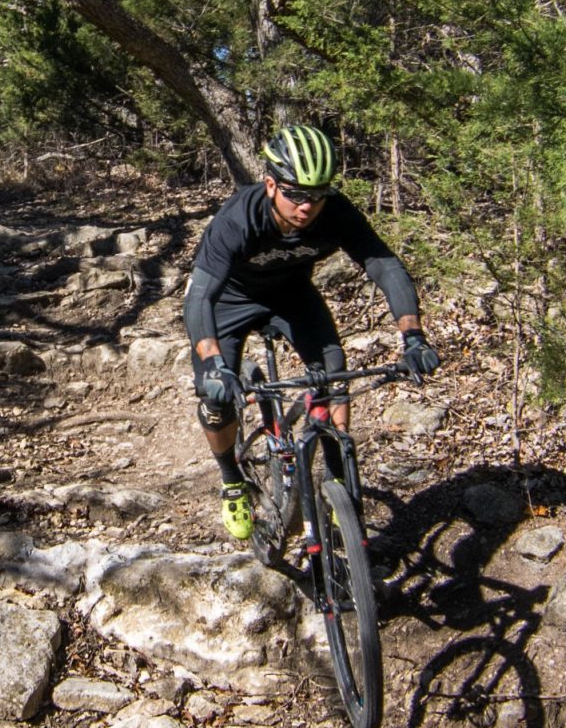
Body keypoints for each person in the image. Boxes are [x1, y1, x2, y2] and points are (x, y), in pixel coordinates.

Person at [186, 124, 437, 540]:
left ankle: (339, 481)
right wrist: (213, 364)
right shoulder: (237, 220)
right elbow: (199, 299)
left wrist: (412, 335)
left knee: (334, 376)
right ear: (270, 184)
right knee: (217, 405)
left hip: (292, 295)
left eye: (317, 194)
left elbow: (384, 266)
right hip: (228, 301)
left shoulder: (334, 212)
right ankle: (232, 480)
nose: (308, 206)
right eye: (296, 194)